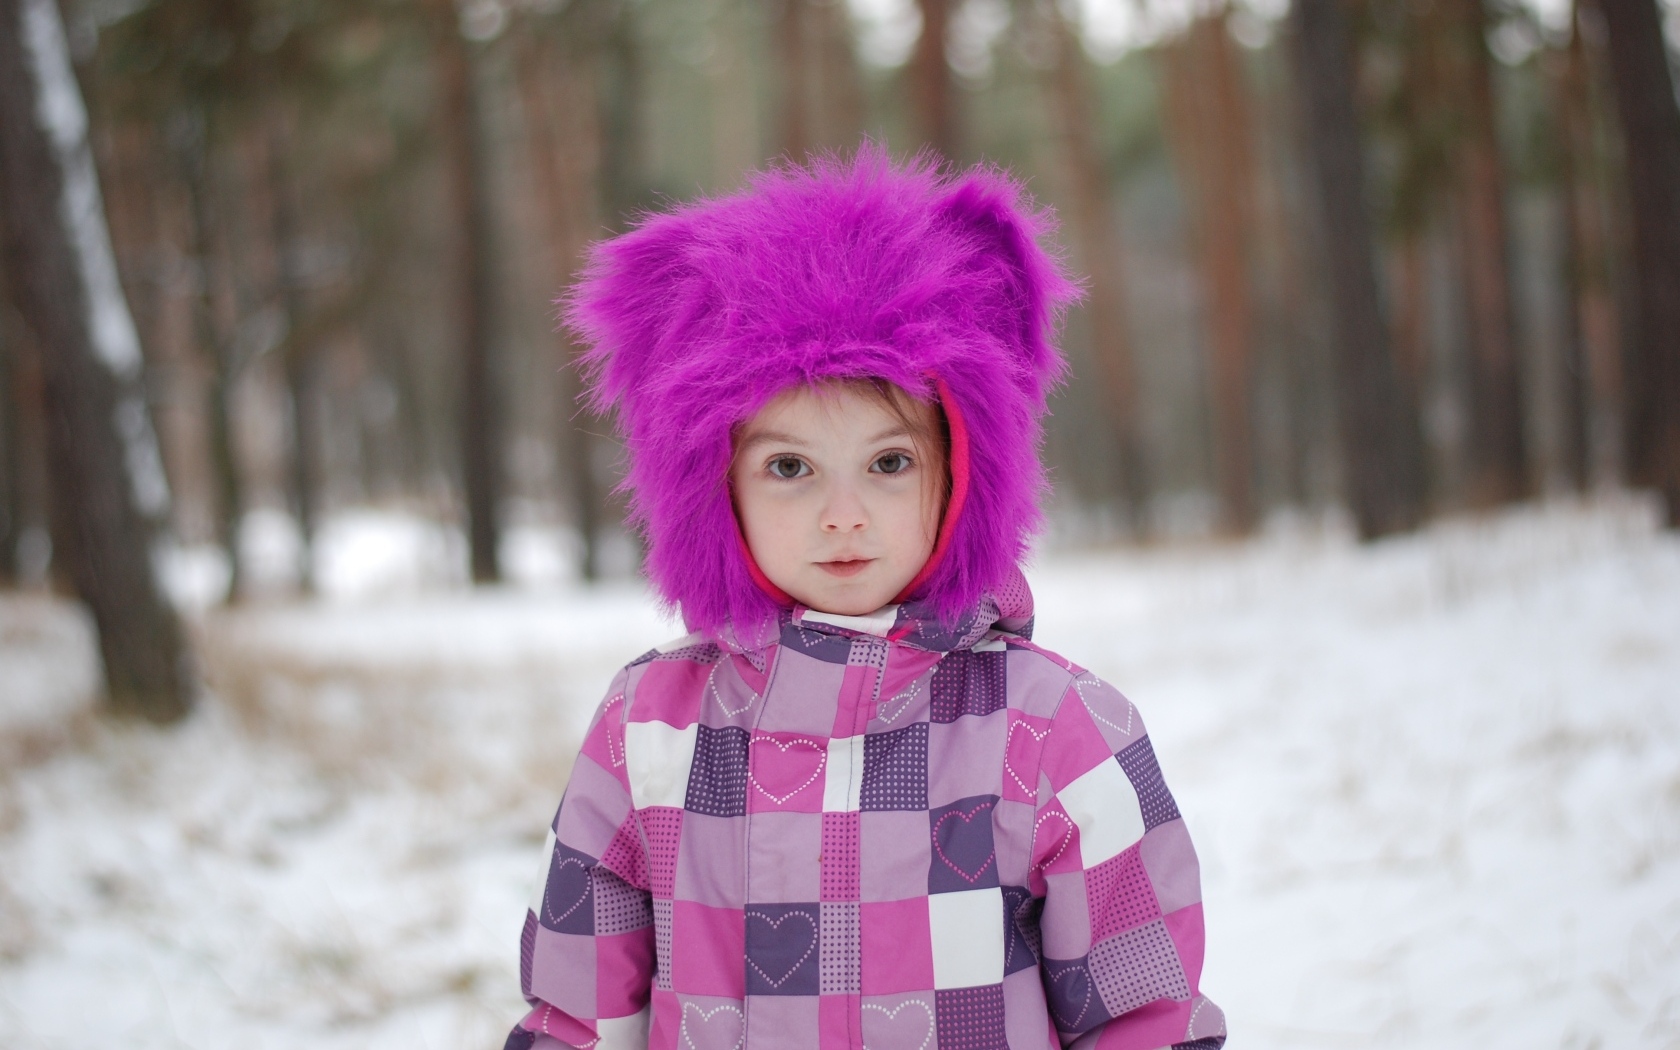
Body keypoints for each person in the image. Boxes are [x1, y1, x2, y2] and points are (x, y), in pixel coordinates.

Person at [505, 143, 1225, 1050]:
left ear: (959, 472)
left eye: (888, 463)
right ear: (714, 488)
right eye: (790, 467)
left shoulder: (1051, 734)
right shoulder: (647, 729)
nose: (843, 515)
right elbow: (578, 1016)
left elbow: (1144, 1017)